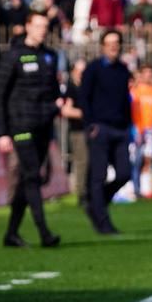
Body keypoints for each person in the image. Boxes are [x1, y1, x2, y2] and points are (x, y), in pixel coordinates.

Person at [0, 12, 62, 248]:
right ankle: (44, 233)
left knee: (29, 179)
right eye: (37, 26)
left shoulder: (49, 56)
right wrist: (2, 132)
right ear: (27, 27)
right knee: (32, 174)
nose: (42, 30)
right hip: (20, 125)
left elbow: (54, 90)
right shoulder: (13, 56)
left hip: (44, 125)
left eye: (45, 26)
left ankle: (11, 233)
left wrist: (59, 102)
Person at [79, 29, 133, 235]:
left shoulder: (123, 69)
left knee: (124, 173)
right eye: (109, 42)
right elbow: (84, 98)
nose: (113, 46)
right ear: (102, 46)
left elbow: (125, 101)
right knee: (98, 175)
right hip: (99, 128)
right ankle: (102, 222)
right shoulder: (93, 69)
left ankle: (96, 204)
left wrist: (129, 126)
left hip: (120, 129)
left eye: (116, 42)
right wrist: (90, 124)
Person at [130, 65, 152, 199]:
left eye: (150, 73)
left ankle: (145, 188)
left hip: (149, 129)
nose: (148, 76)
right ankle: (132, 188)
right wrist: (134, 129)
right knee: (133, 160)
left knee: (147, 159)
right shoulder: (134, 90)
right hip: (136, 129)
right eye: (145, 73)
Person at [61, 60, 88, 207]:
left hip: (91, 130)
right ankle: (82, 194)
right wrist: (85, 114)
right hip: (78, 131)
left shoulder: (88, 88)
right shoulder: (71, 89)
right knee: (82, 162)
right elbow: (66, 110)